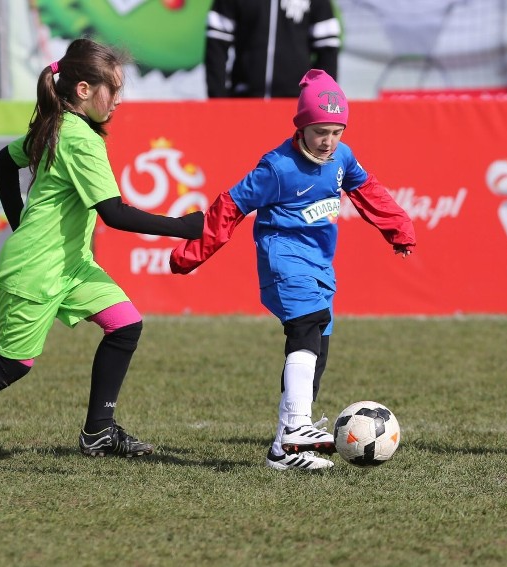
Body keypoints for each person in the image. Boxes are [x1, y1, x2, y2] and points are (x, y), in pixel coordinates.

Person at [0, 38, 204, 472]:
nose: (119, 100)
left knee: (125, 325)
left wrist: (19, 223)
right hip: (36, 270)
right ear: (83, 90)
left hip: (71, 266)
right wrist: (184, 228)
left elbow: (1, 162)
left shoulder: (58, 125)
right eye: (114, 90)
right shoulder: (79, 137)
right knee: (13, 364)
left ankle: (98, 430)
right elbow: (114, 213)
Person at [170, 69, 416, 470]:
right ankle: (298, 427)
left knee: (316, 353)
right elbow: (229, 207)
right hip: (283, 261)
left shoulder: (342, 157)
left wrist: (399, 230)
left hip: (320, 267)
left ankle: (284, 451)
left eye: (336, 132)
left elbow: (368, 191)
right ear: (301, 126)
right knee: (307, 326)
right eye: (321, 131)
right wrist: (191, 254)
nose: (328, 141)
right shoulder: (276, 167)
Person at [204, 0, 341, 98]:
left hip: (296, 104)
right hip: (245, 100)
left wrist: (320, 101)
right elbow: (216, 45)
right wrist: (218, 98)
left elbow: (327, 49)